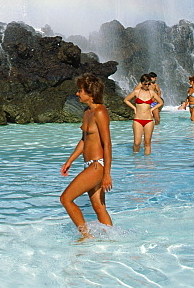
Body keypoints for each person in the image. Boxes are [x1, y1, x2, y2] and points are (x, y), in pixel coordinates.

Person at [60, 73, 113, 239]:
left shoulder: (100, 112)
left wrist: (107, 174)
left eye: (80, 91)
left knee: (66, 199)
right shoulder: (87, 112)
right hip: (89, 164)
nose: (77, 94)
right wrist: (70, 160)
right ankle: (112, 239)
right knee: (98, 206)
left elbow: (107, 144)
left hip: (97, 165)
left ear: (90, 93)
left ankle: (86, 236)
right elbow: (84, 140)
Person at [124, 74, 161, 153]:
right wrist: (134, 108)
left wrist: (152, 109)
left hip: (149, 120)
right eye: (145, 84)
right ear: (141, 83)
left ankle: (147, 163)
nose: (147, 85)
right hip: (138, 119)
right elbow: (126, 100)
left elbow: (160, 102)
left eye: (149, 84)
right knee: (137, 143)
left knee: (147, 143)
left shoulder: (152, 93)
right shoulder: (136, 92)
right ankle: (136, 161)